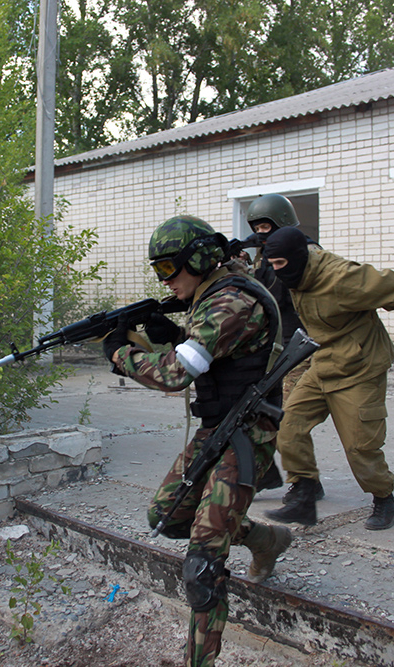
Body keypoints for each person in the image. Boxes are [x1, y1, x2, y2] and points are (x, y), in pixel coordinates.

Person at [103, 215, 291, 667]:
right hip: (217, 427)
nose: (165, 281)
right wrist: (172, 336)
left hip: (247, 434)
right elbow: (202, 354)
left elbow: (172, 374)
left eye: (170, 269)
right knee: (165, 517)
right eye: (158, 272)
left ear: (202, 259)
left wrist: (121, 352)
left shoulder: (231, 302)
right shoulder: (214, 294)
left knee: (202, 568)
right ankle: (263, 538)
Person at [262, 227, 394, 529]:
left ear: (296, 258)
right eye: (272, 263)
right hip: (325, 361)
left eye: (279, 264)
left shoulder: (341, 278)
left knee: (360, 447)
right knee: (288, 425)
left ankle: (385, 500)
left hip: (361, 365)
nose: (275, 271)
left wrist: (382, 302)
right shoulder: (296, 272)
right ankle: (305, 490)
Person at [245, 194, 324, 503]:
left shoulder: (307, 252)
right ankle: (266, 474)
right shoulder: (263, 255)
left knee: (289, 419)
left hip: (301, 346)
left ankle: (306, 483)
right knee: (256, 411)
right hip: (272, 347)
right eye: (257, 228)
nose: (262, 233)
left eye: (267, 226)